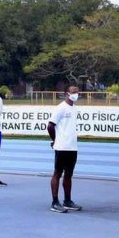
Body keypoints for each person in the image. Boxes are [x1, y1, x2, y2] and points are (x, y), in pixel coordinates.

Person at [46, 85, 82, 213]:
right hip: (62, 146)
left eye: (77, 92)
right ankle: (55, 202)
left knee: (69, 174)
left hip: (72, 146)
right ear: (67, 93)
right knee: (57, 173)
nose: (76, 94)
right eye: (73, 92)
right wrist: (55, 139)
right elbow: (50, 125)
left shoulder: (74, 108)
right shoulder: (61, 108)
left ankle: (67, 200)